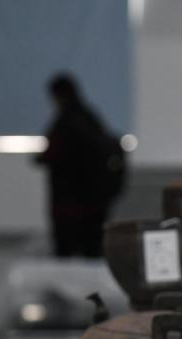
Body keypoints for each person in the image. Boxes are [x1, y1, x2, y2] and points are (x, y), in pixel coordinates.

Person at [36, 73, 117, 258]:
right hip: (93, 200)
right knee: (91, 252)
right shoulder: (89, 118)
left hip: (68, 201)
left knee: (67, 254)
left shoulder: (66, 121)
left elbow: (51, 154)